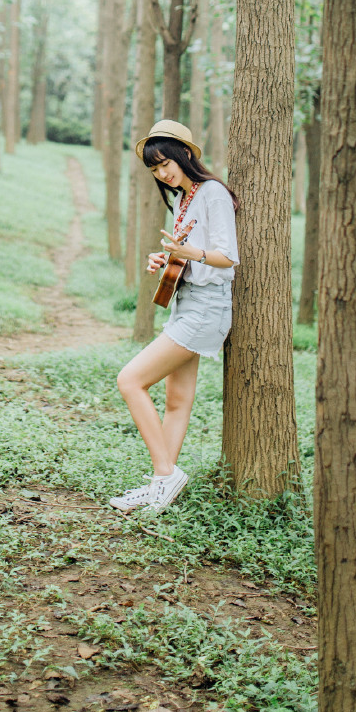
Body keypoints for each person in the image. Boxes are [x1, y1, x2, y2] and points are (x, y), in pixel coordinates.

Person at [110, 119, 239, 515]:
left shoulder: (212, 193)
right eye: (155, 169)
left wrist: (187, 255)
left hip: (206, 308)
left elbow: (226, 257)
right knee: (176, 401)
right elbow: (185, 252)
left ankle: (166, 473)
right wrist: (166, 258)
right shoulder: (184, 199)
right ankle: (158, 487)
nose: (162, 173)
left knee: (130, 380)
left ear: (185, 154)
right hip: (187, 303)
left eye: (166, 162)